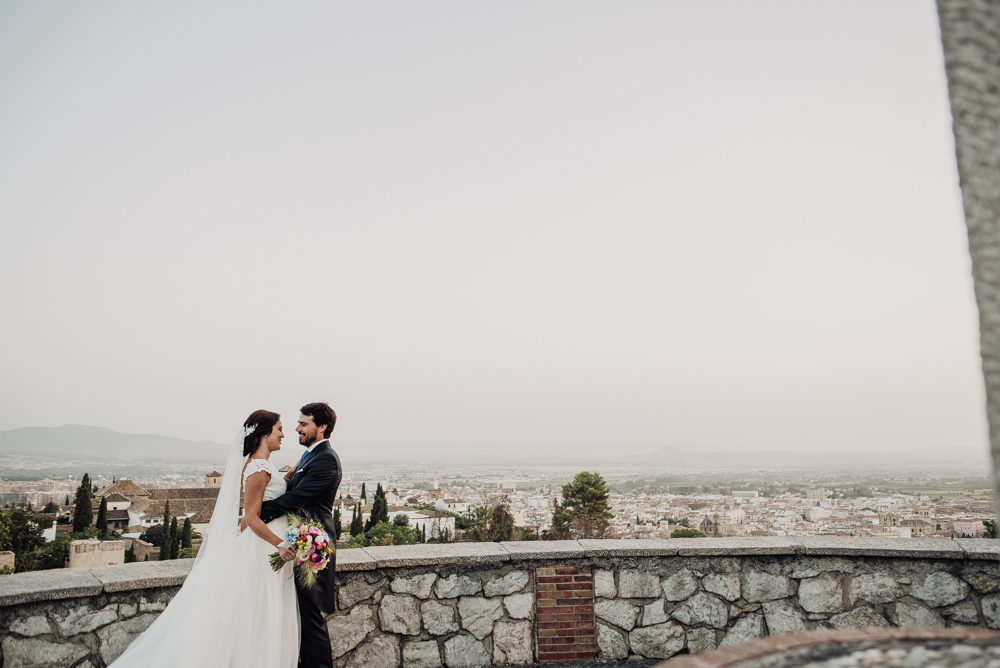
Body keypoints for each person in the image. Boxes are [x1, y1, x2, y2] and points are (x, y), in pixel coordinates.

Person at [109, 410, 299, 667]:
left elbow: (271, 494)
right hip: (264, 548)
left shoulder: (263, 465)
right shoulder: (258, 468)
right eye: (279, 428)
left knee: (260, 612)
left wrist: (295, 469)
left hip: (263, 547)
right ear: (265, 432)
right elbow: (251, 517)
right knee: (258, 610)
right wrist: (280, 543)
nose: (283, 434)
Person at [259, 402, 342, 668]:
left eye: (304, 424)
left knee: (311, 618)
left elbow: (297, 498)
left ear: (322, 427)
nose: (297, 428)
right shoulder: (309, 455)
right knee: (301, 616)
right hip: (299, 542)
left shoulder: (326, 459)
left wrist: (257, 513)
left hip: (313, 546)